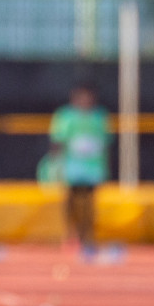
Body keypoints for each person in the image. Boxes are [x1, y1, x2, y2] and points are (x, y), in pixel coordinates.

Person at [49, 84, 109, 261]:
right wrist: (55, 164)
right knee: (71, 202)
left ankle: (87, 238)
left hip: (92, 169)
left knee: (88, 205)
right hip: (72, 168)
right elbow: (57, 141)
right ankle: (70, 235)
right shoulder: (66, 116)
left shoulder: (99, 117)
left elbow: (104, 143)